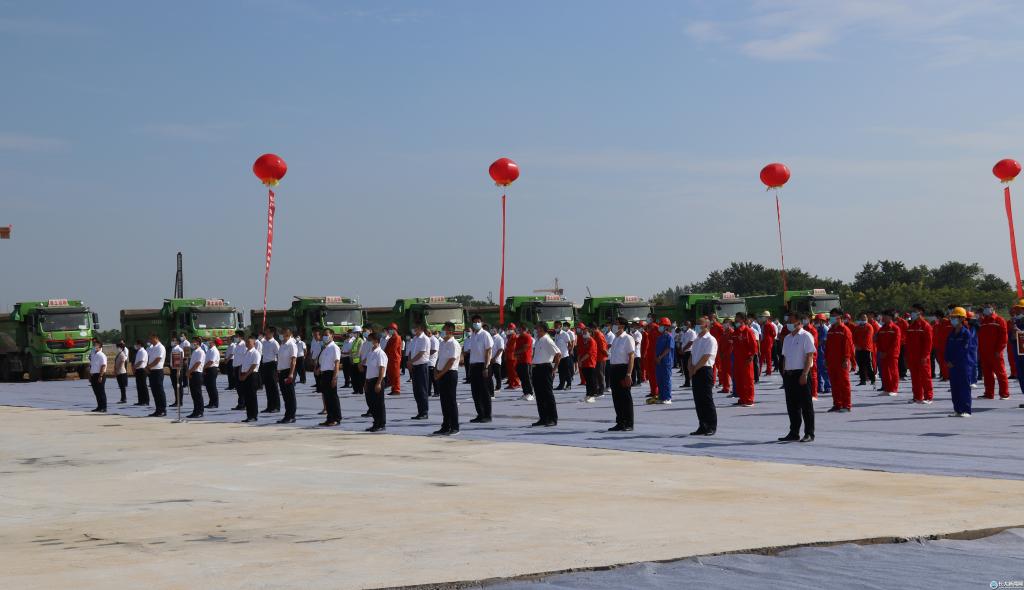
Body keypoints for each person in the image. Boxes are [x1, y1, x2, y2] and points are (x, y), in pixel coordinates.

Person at [779, 313, 816, 443]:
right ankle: (794, 432)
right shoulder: (788, 338)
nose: (788, 323)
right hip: (789, 375)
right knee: (792, 406)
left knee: (806, 406)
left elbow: (809, 356)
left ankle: (809, 433)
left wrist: (805, 374)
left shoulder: (806, 336)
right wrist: (784, 373)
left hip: (801, 373)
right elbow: (785, 357)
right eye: (788, 321)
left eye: (791, 321)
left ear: (799, 322)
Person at [688, 317, 718, 435]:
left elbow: (706, 357)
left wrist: (695, 368)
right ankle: (702, 425)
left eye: (699, 324)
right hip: (695, 371)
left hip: (704, 371)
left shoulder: (710, 339)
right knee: (698, 400)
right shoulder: (697, 339)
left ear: (706, 325)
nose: (697, 326)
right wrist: (690, 368)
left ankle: (711, 426)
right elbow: (691, 355)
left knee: (707, 400)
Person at [529, 322, 561, 426]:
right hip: (537, 369)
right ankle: (543, 418)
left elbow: (558, 353)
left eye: (537, 328)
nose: (536, 330)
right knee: (539, 395)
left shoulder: (547, 339)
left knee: (548, 395)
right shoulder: (538, 340)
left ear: (542, 329)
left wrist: (555, 369)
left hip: (545, 368)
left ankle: (552, 418)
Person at [433, 322, 462, 435]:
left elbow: (451, 361)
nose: (442, 331)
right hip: (441, 373)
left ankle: (455, 426)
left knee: (451, 401)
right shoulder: (443, 343)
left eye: (444, 329)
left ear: (450, 331)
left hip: (449, 374)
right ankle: (445, 425)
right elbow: (440, 359)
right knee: (444, 401)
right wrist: (436, 370)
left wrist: (440, 374)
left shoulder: (453, 344)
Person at [607, 317, 636, 432]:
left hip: (623, 369)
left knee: (625, 397)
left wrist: (629, 373)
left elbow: (631, 356)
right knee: (616, 397)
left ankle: (628, 423)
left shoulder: (628, 338)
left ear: (622, 326)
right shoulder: (615, 339)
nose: (613, 325)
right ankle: (620, 422)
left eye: (616, 323)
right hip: (614, 369)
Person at [945, 307, 973, 417]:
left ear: (962, 318)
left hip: (963, 364)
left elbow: (964, 350)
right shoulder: (951, 333)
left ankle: (966, 410)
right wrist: (947, 360)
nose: (952, 319)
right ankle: (957, 410)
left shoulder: (966, 333)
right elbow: (947, 348)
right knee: (955, 387)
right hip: (952, 365)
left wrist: (954, 361)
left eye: (954, 317)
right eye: (951, 317)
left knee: (964, 387)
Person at [978, 303, 1010, 400]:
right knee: (987, 374)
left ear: (994, 308)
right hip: (984, 352)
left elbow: (1004, 337)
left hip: (995, 353)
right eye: (985, 307)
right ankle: (989, 393)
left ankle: (1004, 394)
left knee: (1000, 373)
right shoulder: (983, 321)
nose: (986, 309)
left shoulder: (999, 320)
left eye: (988, 307)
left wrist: (999, 350)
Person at [825, 308, 855, 412]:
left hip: (841, 361)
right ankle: (837, 404)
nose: (832, 317)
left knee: (844, 383)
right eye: (831, 315)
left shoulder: (845, 330)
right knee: (834, 383)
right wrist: (826, 359)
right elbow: (827, 346)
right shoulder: (831, 330)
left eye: (834, 315)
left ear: (840, 317)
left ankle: (847, 405)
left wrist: (846, 359)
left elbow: (848, 347)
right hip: (831, 361)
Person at [466, 315, 494, 423]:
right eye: (474, 322)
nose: (476, 323)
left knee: (484, 392)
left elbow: (488, 351)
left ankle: (487, 415)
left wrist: (486, 367)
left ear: (482, 323)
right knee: (475, 392)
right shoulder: (473, 335)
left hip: (483, 365)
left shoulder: (485, 334)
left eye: (478, 321)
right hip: (474, 366)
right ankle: (480, 414)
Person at [905, 303, 934, 404]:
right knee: (915, 377)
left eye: (914, 311)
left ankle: (928, 397)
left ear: (920, 312)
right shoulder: (911, 326)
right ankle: (917, 396)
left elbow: (928, 342)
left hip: (922, 356)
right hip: (912, 356)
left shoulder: (926, 326)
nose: (912, 313)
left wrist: (925, 356)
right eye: (912, 311)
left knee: (925, 377)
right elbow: (908, 342)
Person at [730, 313, 758, 407]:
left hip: (746, 360)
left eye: (737, 319)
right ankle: (742, 398)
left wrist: (750, 357)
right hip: (737, 360)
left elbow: (754, 346)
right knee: (739, 379)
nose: (736, 320)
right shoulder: (735, 332)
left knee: (748, 380)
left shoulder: (748, 331)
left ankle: (749, 399)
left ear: (742, 320)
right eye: (735, 318)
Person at [649, 317, 675, 404]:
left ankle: (668, 398)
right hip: (658, 362)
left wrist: (660, 357)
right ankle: (661, 397)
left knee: (666, 380)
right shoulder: (660, 337)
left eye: (661, 325)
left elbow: (668, 348)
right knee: (659, 380)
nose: (659, 327)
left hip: (666, 361)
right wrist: (656, 358)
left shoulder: (669, 336)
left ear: (666, 326)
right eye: (659, 325)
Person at [408, 324, 431, 420]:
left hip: (422, 366)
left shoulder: (424, 339)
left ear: (421, 328)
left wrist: (411, 361)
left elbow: (421, 353)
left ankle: (424, 412)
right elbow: (410, 352)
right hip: (415, 366)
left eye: (416, 328)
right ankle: (420, 411)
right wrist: (409, 361)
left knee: (422, 390)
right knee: (416, 391)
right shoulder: (414, 339)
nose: (414, 330)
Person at [876, 310, 901, 396]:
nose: (883, 318)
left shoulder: (895, 328)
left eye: (885, 316)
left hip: (892, 354)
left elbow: (895, 343)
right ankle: (887, 389)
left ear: (890, 317)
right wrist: (880, 351)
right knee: (885, 371)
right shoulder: (881, 329)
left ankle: (894, 389)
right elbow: (878, 341)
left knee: (893, 371)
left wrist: (887, 352)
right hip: (883, 354)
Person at [276, 327, 298, 424]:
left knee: (290, 395)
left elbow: (293, 361)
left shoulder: (291, 345)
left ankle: (291, 416)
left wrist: (291, 374)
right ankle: (287, 415)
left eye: (282, 333)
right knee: (285, 395)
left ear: (287, 334)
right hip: (281, 371)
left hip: (288, 371)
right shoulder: (282, 344)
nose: (280, 335)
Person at [237, 335, 261, 423]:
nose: (247, 344)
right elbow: (242, 364)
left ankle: (253, 415)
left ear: (254, 343)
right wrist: (240, 374)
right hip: (244, 375)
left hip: (251, 376)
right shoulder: (246, 352)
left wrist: (245, 375)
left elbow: (253, 366)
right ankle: (249, 415)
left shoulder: (255, 353)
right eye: (246, 342)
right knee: (247, 397)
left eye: (249, 342)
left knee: (252, 397)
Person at [145, 334, 167, 417]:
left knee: (159, 391)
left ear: (156, 338)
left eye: (151, 339)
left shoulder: (160, 347)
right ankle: (158, 409)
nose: (150, 340)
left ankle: (162, 410)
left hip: (158, 371)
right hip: (152, 371)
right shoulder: (153, 347)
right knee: (155, 392)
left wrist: (148, 366)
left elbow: (158, 360)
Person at [259, 327, 281, 413]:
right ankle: (269, 406)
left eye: (267, 332)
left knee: (274, 387)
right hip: (265, 365)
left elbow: (278, 356)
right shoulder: (263, 342)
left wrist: (278, 368)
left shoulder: (275, 343)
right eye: (265, 332)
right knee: (268, 387)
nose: (265, 334)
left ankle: (276, 406)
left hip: (272, 365)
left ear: (272, 333)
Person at [852, 312, 876, 386]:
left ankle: (872, 379)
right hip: (859, 349)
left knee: (868, 365)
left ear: (867, 318)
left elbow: (868, 338)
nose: (863, 319)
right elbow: (854, 337)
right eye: (862, 317)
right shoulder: (857, 327)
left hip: (866, 349)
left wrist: (861, 346)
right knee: (861, 365)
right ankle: (862, 380)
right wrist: (856, 345)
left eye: (864, 317)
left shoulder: (869, 326)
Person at [577, 325, 599, 402]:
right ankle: (588, 394)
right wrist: (579, 360)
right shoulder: (584, 341)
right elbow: (580, 351)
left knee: (591, 380)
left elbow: (589, 353)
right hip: (584, 363)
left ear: (590, 333)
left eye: (586, 332)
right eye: (583, 332)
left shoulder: (592, 341)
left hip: (590, 363)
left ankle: (593, 395)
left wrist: (581, 360)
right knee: (587, 380)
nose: (584, 333)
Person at [186, 339, 205, 419]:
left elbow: (198, 363)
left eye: (193, 342)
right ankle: (195, 410)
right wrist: (189, 372)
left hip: (197, 374)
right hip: (192, 373)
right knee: (194, 394)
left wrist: (189, 371)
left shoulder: (200, 352)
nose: (192, 344)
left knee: (197, 394)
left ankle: (200, 411)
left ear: (197, 343)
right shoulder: (195, 351)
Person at [515, 324, 534, 401]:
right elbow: (516, 348)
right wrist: (516, 354)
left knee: (527, 378)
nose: (518, 330)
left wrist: (515, 353)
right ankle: (525, 393)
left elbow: (525, 348)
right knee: (522, 378)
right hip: (519, 360)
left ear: (524, 329)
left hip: (526, 360)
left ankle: (530, 393)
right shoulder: (519, 337)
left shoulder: (528, 337)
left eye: (519, 329)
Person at [88, 338, 107, 413]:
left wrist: (101, 376)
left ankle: (104, 407)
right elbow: (92, 365)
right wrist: (90, 375)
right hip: (94, 375)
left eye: (96, 345)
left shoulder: (101, 355)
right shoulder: (93, 354)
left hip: (100, 375)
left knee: (101, 392)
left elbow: (103, 366)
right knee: (96, 392)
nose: (94, 346)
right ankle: (99, 406)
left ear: (99, 346)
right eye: (94, 344)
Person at [553, 321, 573, 391]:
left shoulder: (565, 334)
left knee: (567, 371)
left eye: (557, 327)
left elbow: (570, 345)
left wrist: (568, 352)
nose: (555, 328)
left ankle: (569, 385)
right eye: (555, 326)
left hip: (565, 356)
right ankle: (561, 385)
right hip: (559, 357)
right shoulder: (556, 335)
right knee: (561, 372)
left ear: (560, 327)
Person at [384, 323, 403, 395]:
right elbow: (387, 348)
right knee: (391, 374)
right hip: (390, 358)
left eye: (390, 329)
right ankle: (393, 388)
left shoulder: (397, 338)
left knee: (395, 375)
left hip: (395, 359)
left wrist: (386, 353)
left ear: (394, 329)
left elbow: (393, 349)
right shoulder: (392, 338)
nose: (389, 331)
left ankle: (396, 390)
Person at [131, 339, 150, 406]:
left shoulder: (143, 351)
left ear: (140, 344)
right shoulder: (139, 351)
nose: (135, 345)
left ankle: (146, 401)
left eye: (136, 344)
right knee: (139, 386)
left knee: (143, 386)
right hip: (138, 370)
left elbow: (141, 361)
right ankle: (141, 400)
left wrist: (134, 367)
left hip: (142, 370)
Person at [203, 339, 220, 409]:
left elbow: (211, 361)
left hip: (212, 369)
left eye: (209, 341)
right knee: (208, 387)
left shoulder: (214, 350)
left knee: (212, 387)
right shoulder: (209, 350)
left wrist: (203, 367)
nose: (208, 343)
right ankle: (211, 402)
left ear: (213, 343)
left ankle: (215, 403)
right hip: (208, 369)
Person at [759, 312, 777, 377]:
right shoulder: (761, 325)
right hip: (762, 343)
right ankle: (759, 371)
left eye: (763, 317)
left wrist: (770, 340)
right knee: (761, 358)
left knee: (768, 358)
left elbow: (774, 334)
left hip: (768, 343)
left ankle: (768, 371)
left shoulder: (770, 325)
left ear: (767, 318)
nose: (762, 318)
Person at [168, 336, 183, 407]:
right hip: (173, 368)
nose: (172, 341)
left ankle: (179, 401)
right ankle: (177, 401)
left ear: (177, 342)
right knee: (175, 386)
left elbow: (180, 361)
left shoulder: (178, 349)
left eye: (174, 340)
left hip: (177, 369)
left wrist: (178, 371)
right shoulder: (174, 348)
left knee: (178, 386)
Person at [490, 326, 505, 394]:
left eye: (493, 329)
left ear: (497, 330)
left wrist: (495, 358)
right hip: (490, 359)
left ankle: (498, 387)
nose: (492, 330)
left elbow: (501, 349)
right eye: (491, 329)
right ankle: (490, 387)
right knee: (490, 374)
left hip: (496, 359)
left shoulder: (499, 338)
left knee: (497, 374)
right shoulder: (491, 337)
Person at [504, 324, 519, 390]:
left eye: (511, 329)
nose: (509, 330)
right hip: (508, 356)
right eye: (508, 329)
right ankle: (511, 383)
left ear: (514, 329)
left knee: (514, 371)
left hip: (513, 356)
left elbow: (514, 347)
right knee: (509, 371)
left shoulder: (515, 337)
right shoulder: (509, 337)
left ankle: (516, 383)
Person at [427, 328, 440, 396]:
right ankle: (428, 392)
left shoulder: (434, 340)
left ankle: (437, 392)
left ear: (430, 333)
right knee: (428, 379)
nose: (426, 334)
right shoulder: (428, 339)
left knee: (433, 378)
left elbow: (434, 350)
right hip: (427, 361)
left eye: (427, 332)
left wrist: (426, 354)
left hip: (432, 361)